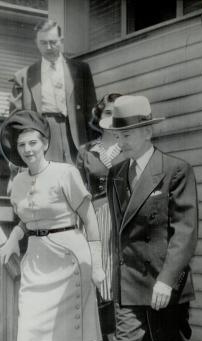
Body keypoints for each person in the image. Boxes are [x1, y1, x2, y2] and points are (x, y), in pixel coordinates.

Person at [96, 95, 199, 341]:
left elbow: (184, 232)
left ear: (147, 133)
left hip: (166, 281)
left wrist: (167, 279)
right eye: (117, 135)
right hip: (130, 280)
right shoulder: (114, 175)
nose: (120, 141)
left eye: (126, 135)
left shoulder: (175, 170)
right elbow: (117, 233)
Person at [0, 110, 105, 341]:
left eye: (33, 143)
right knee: (30, 325)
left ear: (44, 143)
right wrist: (11, 240)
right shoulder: (18, 181)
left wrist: (97, 264)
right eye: (22, 146)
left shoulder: (65, 173)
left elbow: (88, 218)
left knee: (71, 332)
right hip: (36, 256)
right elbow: (27, 219)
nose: (28, 150)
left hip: (69, 255)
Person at [9, 19, 97, 164]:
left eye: (53, 42)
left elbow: (92, 112)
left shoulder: (81, 70)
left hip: (75, 135)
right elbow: (15, 120)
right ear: (36, 43)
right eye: (43, 43)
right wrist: (15, 159)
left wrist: (95, 147)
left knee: (75, 179)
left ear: (61, 41)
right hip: (43, 133)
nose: (49, 47)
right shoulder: (24, 76)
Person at [77, 93, 125, 316]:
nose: (112, 117)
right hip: (94, 218)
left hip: (124, 217)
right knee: (97, 275)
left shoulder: (131, 147)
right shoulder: (86, 150)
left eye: (117, 113)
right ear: (99, 116)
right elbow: (78, 191)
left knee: (119, 275)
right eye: (108, 112)